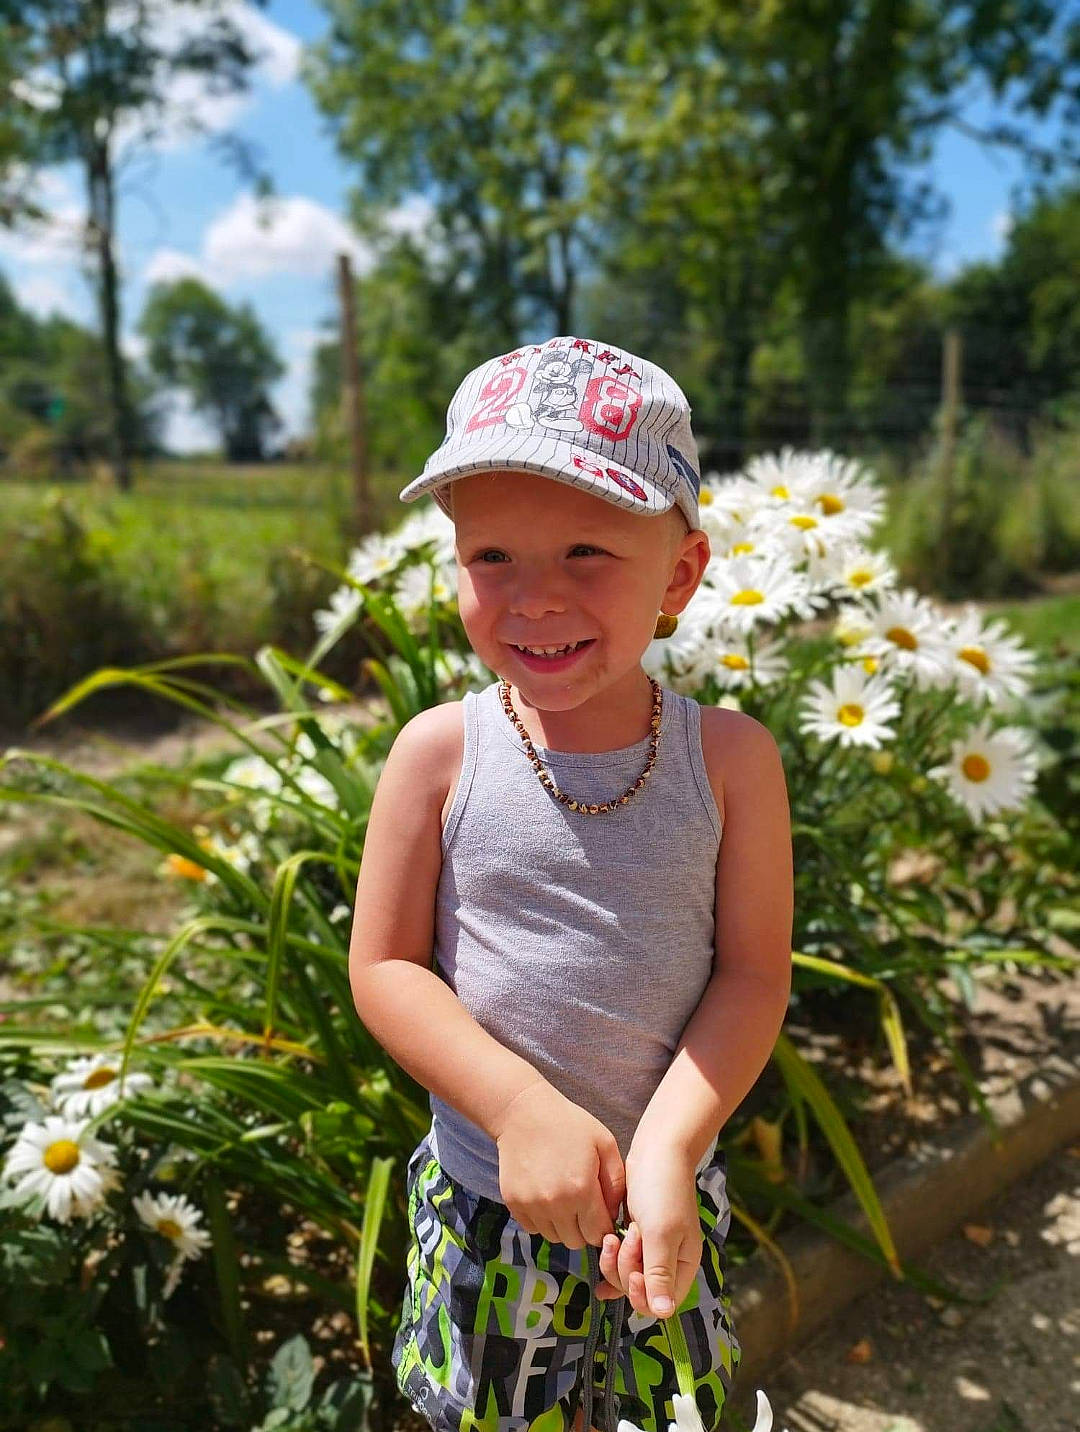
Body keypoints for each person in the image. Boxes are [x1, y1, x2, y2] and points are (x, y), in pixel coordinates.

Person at [348, 336, 793, 1432]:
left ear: (681, 574)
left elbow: (750, 974)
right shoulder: (437, 755)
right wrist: (516, 1109)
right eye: (492, 556)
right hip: (486, 1202)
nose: (535, 599)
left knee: (659, 1410)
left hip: (662, 1198)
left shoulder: (731, 761)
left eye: (588, 550)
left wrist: (671, 1147)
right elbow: (386, 965)